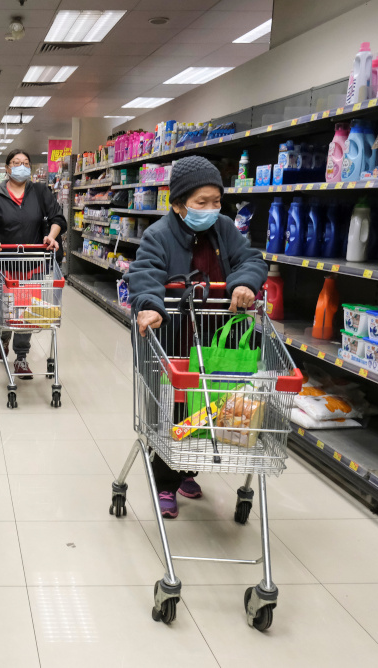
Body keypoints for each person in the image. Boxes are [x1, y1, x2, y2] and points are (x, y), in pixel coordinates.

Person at [126, 155, 267, 518]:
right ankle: (166, 480)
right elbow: (144, 273)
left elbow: (250, 260)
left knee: (207, 409)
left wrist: (245, 284)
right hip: (173, 338)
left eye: (216, 201)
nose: (211, 209)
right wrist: (151, 305)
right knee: (171, 412)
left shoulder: (224, 228)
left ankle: (187, 468)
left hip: (213, 339)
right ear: (178, 203)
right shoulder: (159, 235)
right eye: (201, 202)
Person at [0, 149, 67, 378]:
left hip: (32, 264)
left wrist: (52, 236)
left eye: (26, 163)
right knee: (4, 311)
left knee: (26, 311)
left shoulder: (40, 192)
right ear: (7, 168)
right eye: (16, 163)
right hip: (3, 265)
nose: (21, 166)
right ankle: (5, 335)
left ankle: (22, 357)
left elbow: (57, 218)